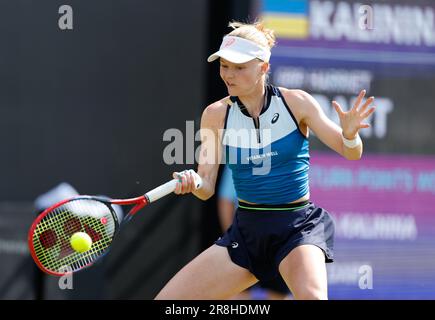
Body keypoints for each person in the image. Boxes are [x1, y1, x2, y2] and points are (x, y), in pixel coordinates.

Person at [155, 21, 375, 300]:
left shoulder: (297, 103)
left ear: (263, 67)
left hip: (296, 228)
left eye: (239, 67)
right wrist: (193, 182)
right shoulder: (215, 115)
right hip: (247, 231)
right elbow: (207, 186)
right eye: (224, 66)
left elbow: (350, 152)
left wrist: (350, 135)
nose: (228, 75)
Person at [217, 164, 291, 300]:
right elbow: (225, 201)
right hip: (245, 241)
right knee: (238, 293)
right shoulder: (238, 156)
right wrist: (233, 239)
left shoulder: (286, 156)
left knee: (279, 294)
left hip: (278, 241)